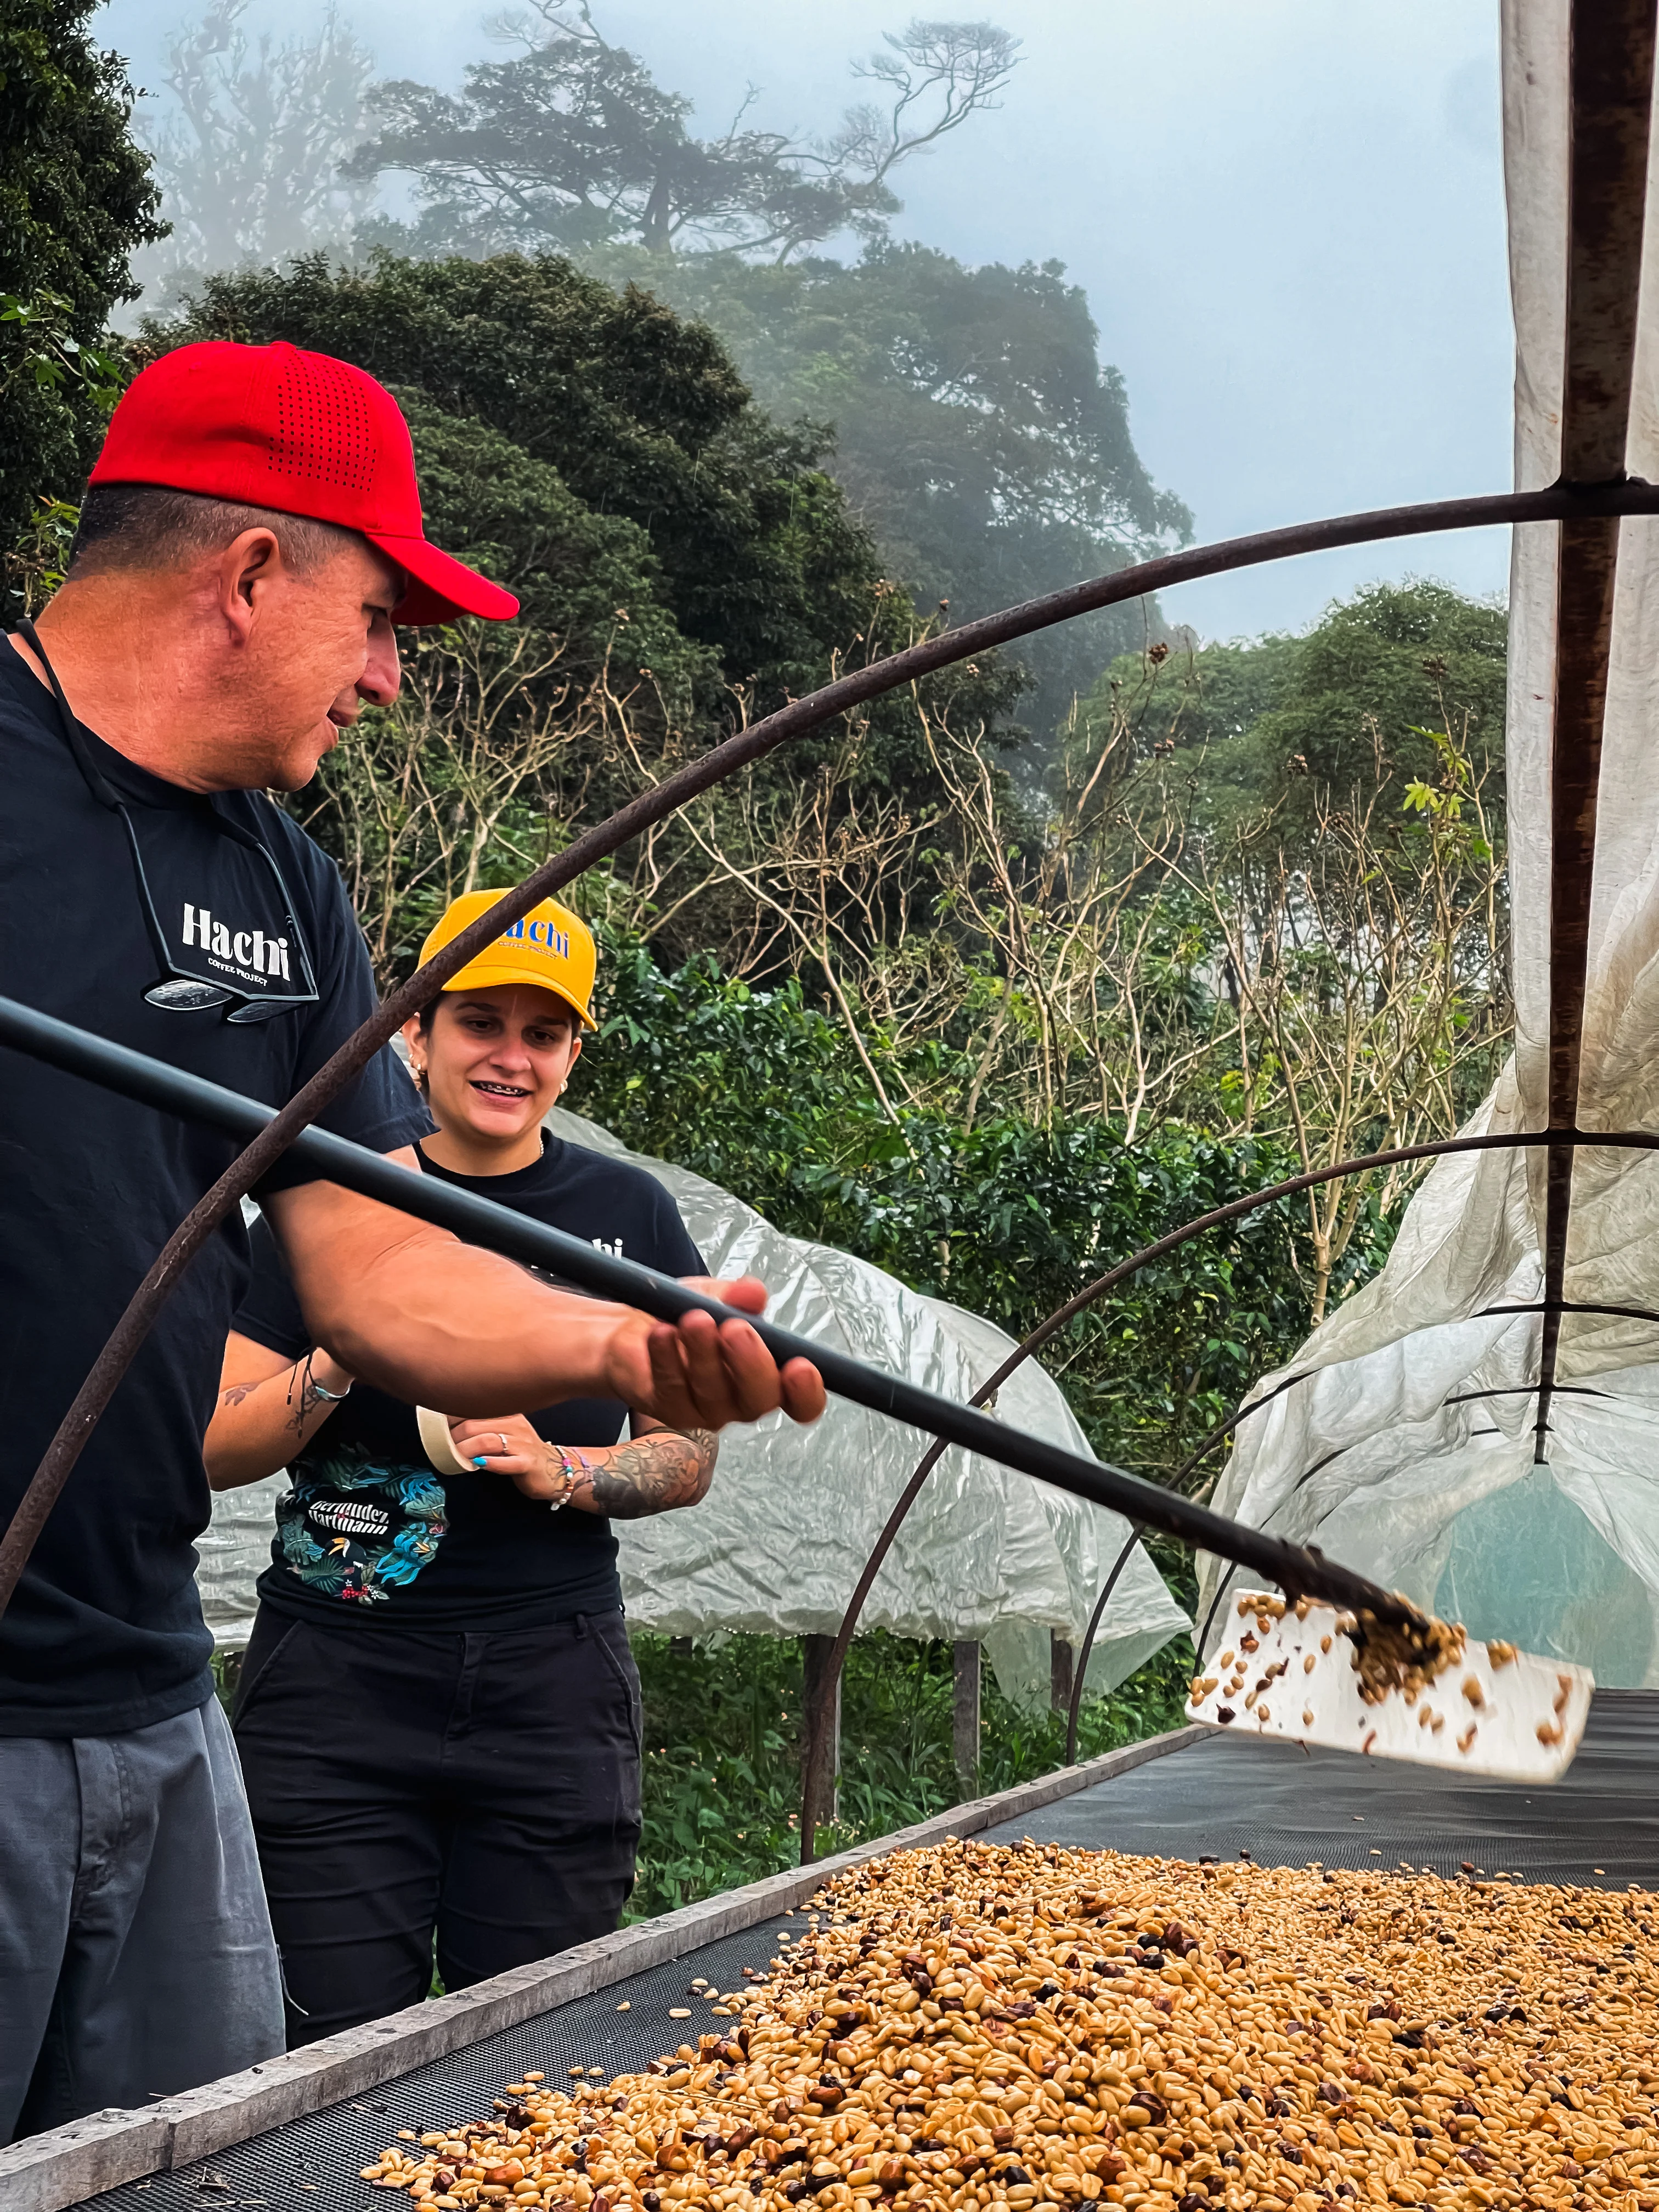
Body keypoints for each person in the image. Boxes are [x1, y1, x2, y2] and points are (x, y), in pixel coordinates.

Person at [0, 339, 823, 2145]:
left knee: (214, 2158)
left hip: (147, 1696)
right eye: (382, 617)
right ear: (250, 572)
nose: (388, 676)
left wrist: (629, 1349)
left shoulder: (286, 888)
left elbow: (377, 1274)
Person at [204, 890, 712, 2041]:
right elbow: (218, 1444)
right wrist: (348, 1335)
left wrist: (565, 1470)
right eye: (481, 1022)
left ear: (574, 1055)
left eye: (543, 1034)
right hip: (337, 1681)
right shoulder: (326, 1201)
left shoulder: (622, 1215)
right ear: (413, 1035)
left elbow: (684, 1457)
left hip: (552, 1684)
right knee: (314, 2052)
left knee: (540, 2052)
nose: (511, 1058)